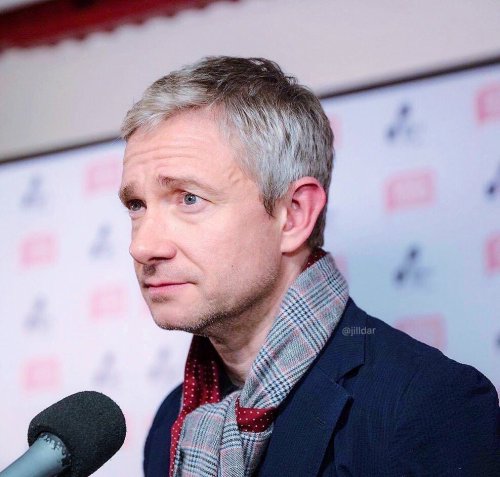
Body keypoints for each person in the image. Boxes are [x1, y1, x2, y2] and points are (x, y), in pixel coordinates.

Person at [119, 57, 499, 476]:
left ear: (295, 215)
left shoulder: (427, 404)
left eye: (189, 198)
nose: (142, 246)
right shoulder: (171, 423)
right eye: (136, 205)